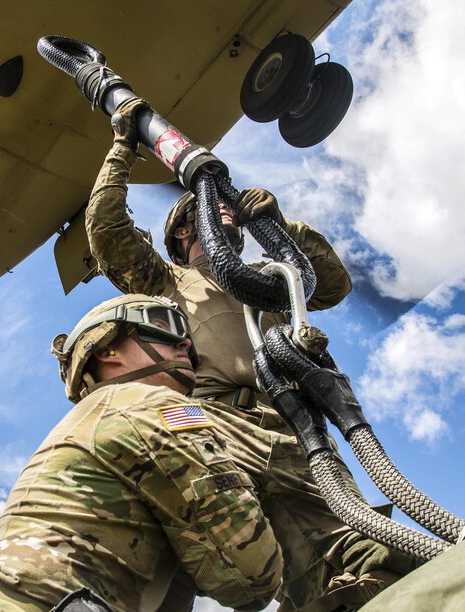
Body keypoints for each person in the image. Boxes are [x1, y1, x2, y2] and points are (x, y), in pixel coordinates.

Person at [84, 97, 417, 610]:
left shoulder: (269, 278)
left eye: (228, 204)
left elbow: (332, 285)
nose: (226, 207)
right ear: (182, 230)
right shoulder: (163, 280)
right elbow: (106, 230)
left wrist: (282, 228)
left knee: (352, 557)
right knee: (160, 552)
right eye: (208, 206)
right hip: (211, 426)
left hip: (295, 431)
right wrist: (122, 148)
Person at [0, 294, 283, 611]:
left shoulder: (92, 416)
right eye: (164, 326)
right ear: (106, 350)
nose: (185, 342)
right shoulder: (147, 403)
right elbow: (250, 576)